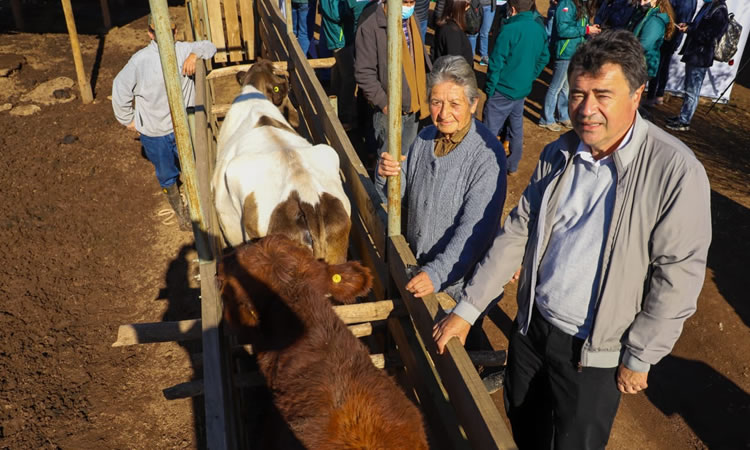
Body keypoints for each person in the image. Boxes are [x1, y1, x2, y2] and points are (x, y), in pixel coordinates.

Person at [432, 30, 712, 449]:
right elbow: (518, 230)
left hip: (593, 352)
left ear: (637, 95)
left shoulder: (674, 171)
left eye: (603, 95)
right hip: (532, 327)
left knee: (574, 442)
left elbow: (677, 274)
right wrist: (468, 308)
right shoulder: (560, 152)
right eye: (578, 94)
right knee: (524, 423)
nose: (586, 110)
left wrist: (641, 355)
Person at [376, 55, 506, 301]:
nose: (444, 113)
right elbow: (398, 193)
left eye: (454, 104)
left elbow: (475, 231)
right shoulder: (425, 138)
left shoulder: (487, 156)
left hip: (459, 286)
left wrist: (436, 273)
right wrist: (386, 174)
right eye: (436, 102)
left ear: (473, 103)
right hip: (420, 270)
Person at [112, 15, 216, 231]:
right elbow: (120, 88)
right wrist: (127, 119)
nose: (165, 36)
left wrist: (195, 55)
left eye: (169, 32)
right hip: (154, 130)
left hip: (182, 127)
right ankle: (180, 213)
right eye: (158, 32)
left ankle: (197, 205)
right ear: (150, 34)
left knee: (193, 166)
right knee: (166, 172)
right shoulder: (139, 61)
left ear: (175, 33)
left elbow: (210, 46)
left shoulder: (183, 50)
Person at [355, 0, 431, 163]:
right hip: (389, 111)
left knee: (406, 158)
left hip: (414, 105)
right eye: (405, 2)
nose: (409, 6)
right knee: (388, 164)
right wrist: (384, 103)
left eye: (412, 2)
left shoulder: (411, 19)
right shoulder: (370, 25)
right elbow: (364, 72)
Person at [483, 0, 549, 174]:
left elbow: (496, 64)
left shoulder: (509, 30)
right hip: (522, 90)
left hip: (502, 90)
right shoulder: (539, 29)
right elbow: (544, 57)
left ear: (512, 9)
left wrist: (490, 89)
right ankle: (512, 164)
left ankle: (486, 167)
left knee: (489, 130)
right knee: (516, 128)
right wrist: (531, 76)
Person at [666, 0, 729, 132]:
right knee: (689, 87)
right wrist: (688, 26)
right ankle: (682, 116)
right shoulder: (708, 6)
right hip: (694, 52)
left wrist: (690, 30)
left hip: (701, 55)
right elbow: (699, 26)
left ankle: (684, 121)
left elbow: (710, 35)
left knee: (692, 90)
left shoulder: (720, 11)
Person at [539, 0, 600, 132]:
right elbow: (562, 29)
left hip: (575, 51)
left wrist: (590, 27)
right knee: (556, 86)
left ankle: (563, 115)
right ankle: (546, 118)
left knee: (566, 87)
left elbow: (579, 24)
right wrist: (586, 29)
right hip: (565, 52)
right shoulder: (566, 4)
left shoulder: (579, 4)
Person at [320, 0, 370, 129]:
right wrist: (356, 5)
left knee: (339, 71)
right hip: (340, 37)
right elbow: (335, 14)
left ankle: (334, 104)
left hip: (343, 34)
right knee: (350, 77)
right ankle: (344, 117)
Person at [644, 0, 696, 106]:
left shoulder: (686, 3)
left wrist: (673, 38)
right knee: (664, 66)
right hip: (672, 36)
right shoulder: (692, 2)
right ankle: (659, 94)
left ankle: (652, 96)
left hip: (669, 36)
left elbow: (679, 17)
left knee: (658, 65)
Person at [626, 0, 675, 81]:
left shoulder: (656, 19)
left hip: (640, 66)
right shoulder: (641, 13)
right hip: (633, 62)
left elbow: (645, 45)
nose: (641, 3)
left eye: (645, 0)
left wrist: (623, 52)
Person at [432, 0, 474, 66]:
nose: (469, 8)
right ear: (458, 7)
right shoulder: (452, 32)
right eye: (467, 5)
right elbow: (455, 65)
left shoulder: (447, 24)